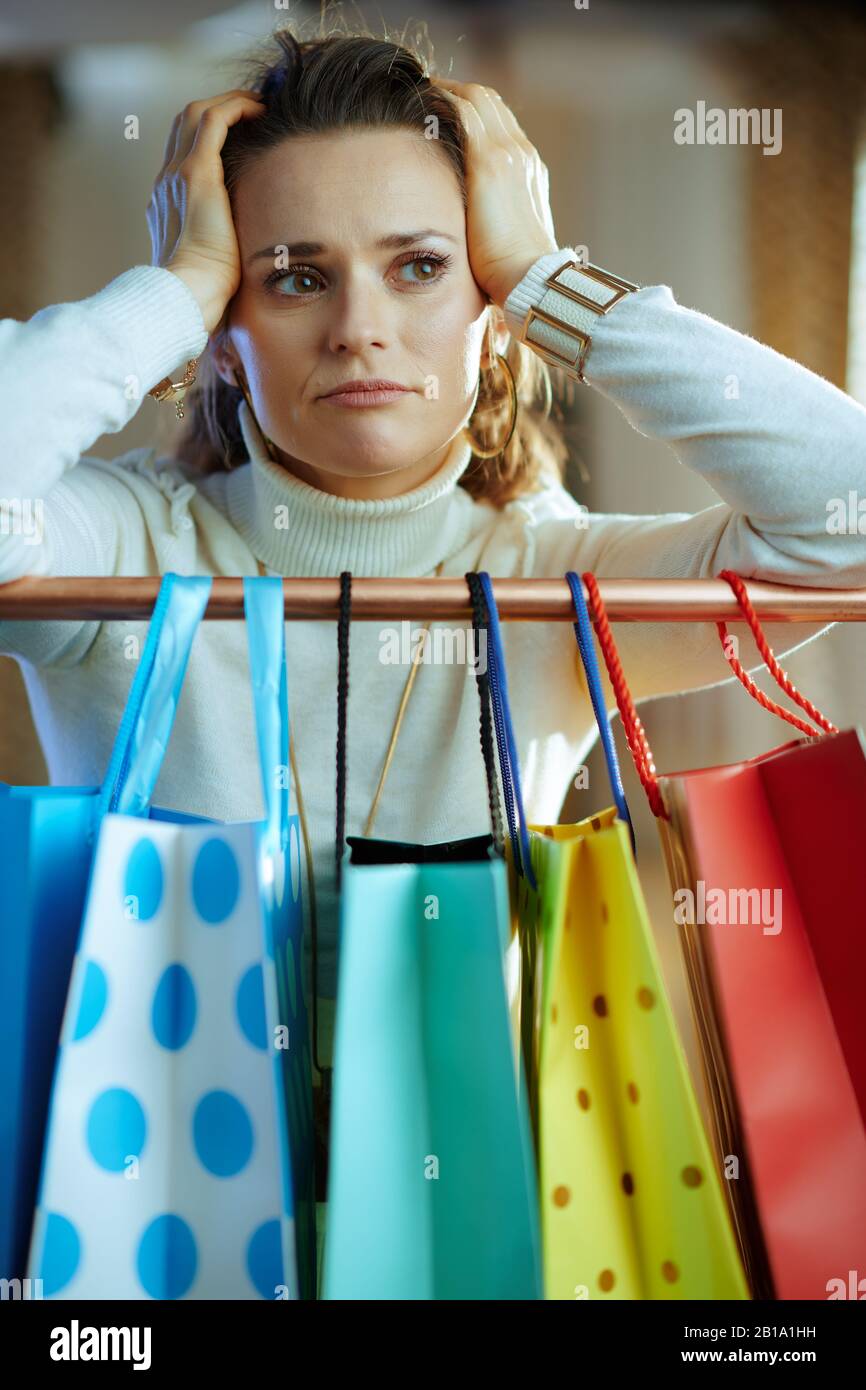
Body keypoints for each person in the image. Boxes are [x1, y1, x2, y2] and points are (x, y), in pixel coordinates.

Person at [2, 24, 865, 1253]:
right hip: (137, 1215)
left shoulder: (553, 574)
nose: (359, 326)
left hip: (479, 1214)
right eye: (293, 274)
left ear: (492, 311)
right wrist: (167, 296)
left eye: (419, 267)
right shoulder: (128, 547)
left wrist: (552, 281)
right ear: (227, 332)